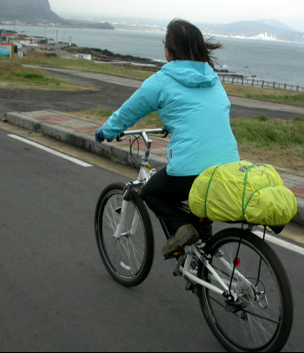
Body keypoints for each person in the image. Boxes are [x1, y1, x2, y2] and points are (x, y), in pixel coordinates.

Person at [95, 18, 240, 256]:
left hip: (192, 170)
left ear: (169, 50)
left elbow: (128, 112)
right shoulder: (212, 79)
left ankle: (182, 229)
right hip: (229, 167)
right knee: (200, 208)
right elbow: (205, 114)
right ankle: (205, 260)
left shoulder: (162, 81)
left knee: (151, 192)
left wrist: (106, 132)